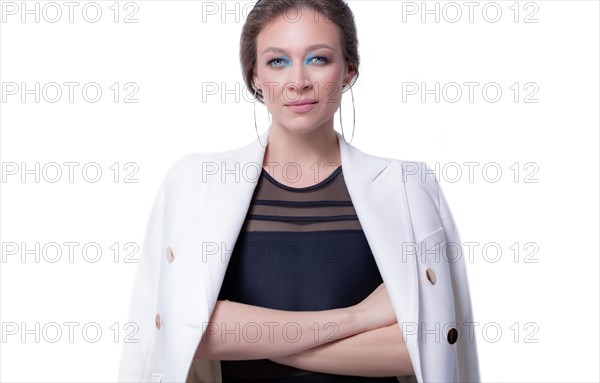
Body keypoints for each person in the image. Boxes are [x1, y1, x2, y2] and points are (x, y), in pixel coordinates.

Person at [118, 1, 480, 382]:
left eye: (318, 59)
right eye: (277, 62)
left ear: (348, 70)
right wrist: (361, 317)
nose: (298, 81)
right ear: (254, 75)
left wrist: (248, 338)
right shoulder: (197, 183)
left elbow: (425, 347)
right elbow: (183, 330)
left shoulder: (407, 187)